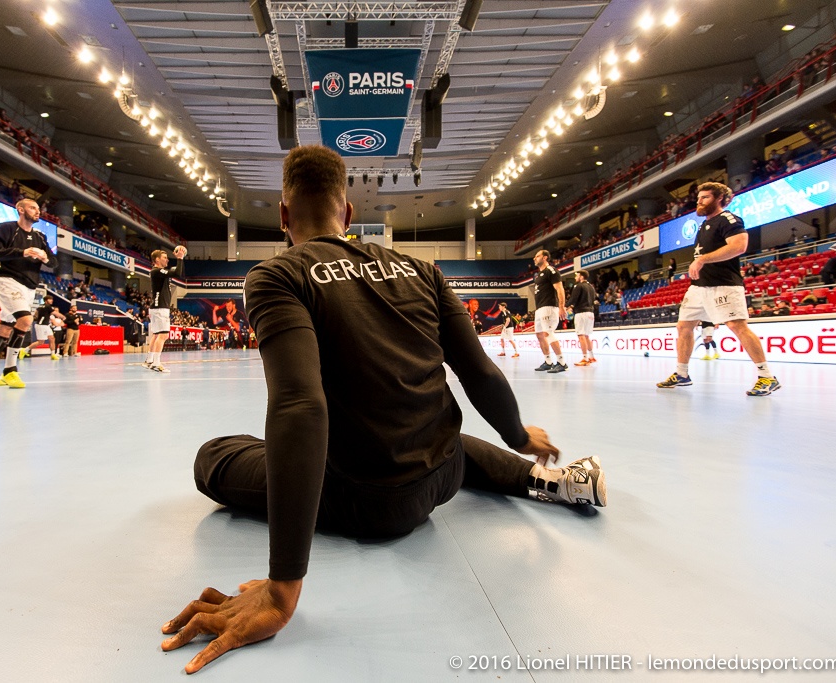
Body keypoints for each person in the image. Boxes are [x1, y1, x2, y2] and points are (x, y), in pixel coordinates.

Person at [163, 146, 606, 674]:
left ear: (284, 216)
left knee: (213, 455)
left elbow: (302, 406)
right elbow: (481, 373)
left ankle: (295, 532)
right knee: (436, 433)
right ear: (347, 213)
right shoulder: (423, 270)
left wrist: (282, 587)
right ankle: (551, 480)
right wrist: (517, 435)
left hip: (366, 500)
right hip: (444, 474)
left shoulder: (278, 275)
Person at [657, 182, 780, 395]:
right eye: (699, 198)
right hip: (698, 287)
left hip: (723, 284)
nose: (699, 201)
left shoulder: (728, 219)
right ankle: (682, 373)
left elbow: (739, 246)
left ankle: (767, 376)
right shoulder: (704, 225)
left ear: (720, 199)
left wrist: (703, 259)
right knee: (683, 327)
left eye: (705, 197)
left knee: (737, 326)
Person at [0, 198, 57, 388]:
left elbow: (53, 262)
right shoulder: (6, 228)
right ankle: (10, 370)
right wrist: (23, 252)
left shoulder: (40, 237)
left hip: (29, 286)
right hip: (8, 280)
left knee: (4, 328)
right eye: (33, 208)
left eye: (38, 208)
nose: (37, 211)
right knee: (25, 320)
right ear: (20, 209)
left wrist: (45, 257)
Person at [145, 246, 188, 372]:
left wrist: (181, 260)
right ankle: (156, 363)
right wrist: (179, 258)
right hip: (160, 307)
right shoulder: (157, 271)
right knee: (163, 335)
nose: (167, 260)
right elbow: (177, 273)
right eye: (164, 258)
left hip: (157, 307)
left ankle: (150, 360)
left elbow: (177, 271)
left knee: (157, 334)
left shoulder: (159, 272)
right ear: (157, 260)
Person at [530, 249, 567, 373]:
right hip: (540, 308)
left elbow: (560, 289)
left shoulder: (551, 271)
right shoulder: (538, 275)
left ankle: (562, 363)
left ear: (545, 257)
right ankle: (548, 361)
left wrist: (562, 306)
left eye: (537, 256)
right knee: (539, 335)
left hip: (549, 307)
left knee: (548, 333)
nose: (534, 258)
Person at [567, 271, 597, 366]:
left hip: (581, 313)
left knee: (581, 335)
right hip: (590, 313)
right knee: (587, 336)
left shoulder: (578, 286)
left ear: (581, 277)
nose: (575, 277)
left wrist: (564, 306)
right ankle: (591, 357)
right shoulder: (591, 287)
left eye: (577, 275)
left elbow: (573, 299)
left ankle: (585, 358)